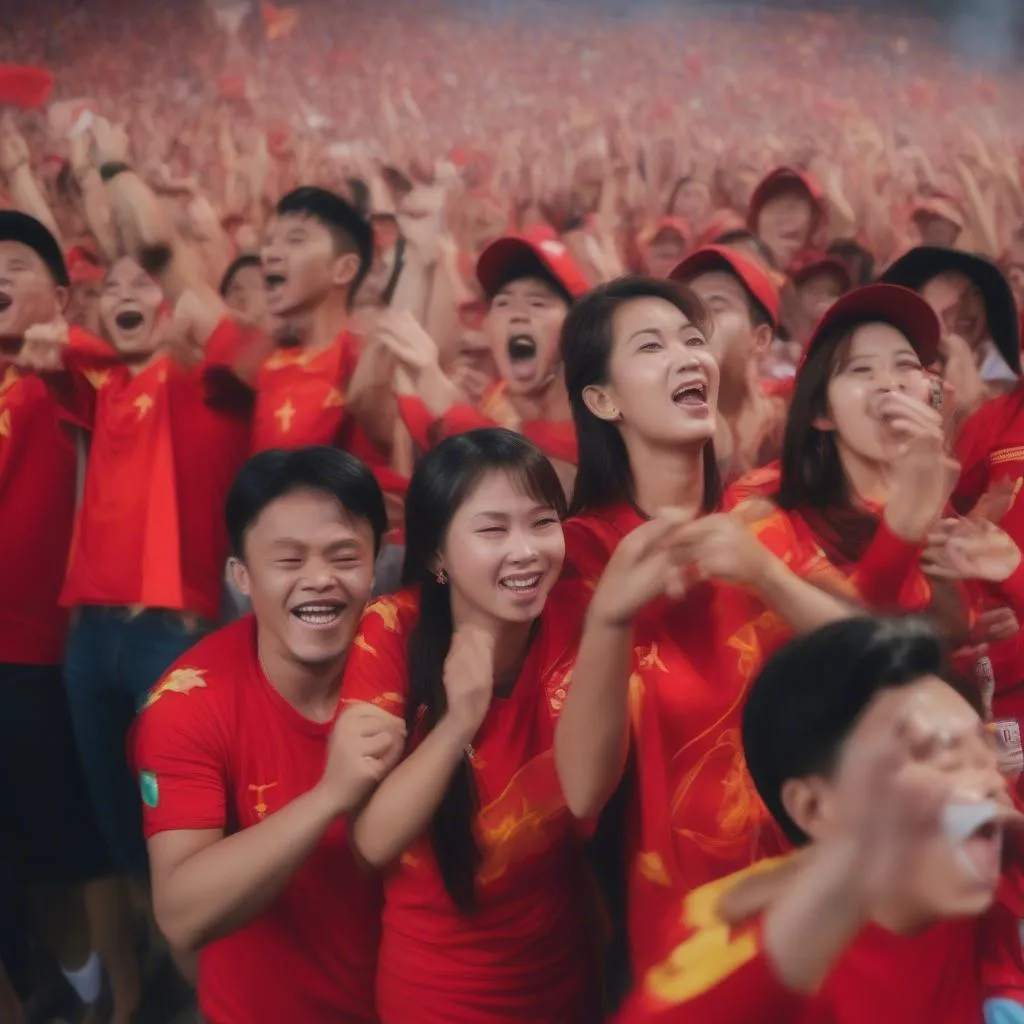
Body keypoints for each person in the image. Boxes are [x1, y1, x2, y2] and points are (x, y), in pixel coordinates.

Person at [555, 276, 852, 985]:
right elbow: (581, 792)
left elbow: (886, 666)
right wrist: (611, 618)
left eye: (694, 340)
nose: (689, 357)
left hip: (818, 916)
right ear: (602, 399)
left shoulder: (763, 531)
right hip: (679, 945)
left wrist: (770, 578)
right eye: (652, 347)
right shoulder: (579, 556)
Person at [613, 615, 1024, 1023]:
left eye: (983, 749)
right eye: (942, 753)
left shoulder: (968, 878)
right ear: (813, 807)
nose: (989, 782)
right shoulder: (739, 938)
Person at [340, 428, 600, 1024]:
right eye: (492, 530)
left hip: (565, 973)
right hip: (441, 989)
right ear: (435, 556)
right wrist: (460, 722)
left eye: (542, 522)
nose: (527, 551)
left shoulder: (583, 618)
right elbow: (372, 843)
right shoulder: (392, 629)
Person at [133, 446, 398, 1024]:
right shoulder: (186, 704)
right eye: (289, 560)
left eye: (344, 555)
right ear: (242, 577)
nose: (319, 579)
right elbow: (180, 913)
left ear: (378, 561)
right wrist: (330, 794)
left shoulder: (415, 659)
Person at [15, 253, 252, 884]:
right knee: (120, 834)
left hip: (172, 641)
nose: (125, 293)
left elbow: (218, 326)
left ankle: (203, 971)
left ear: (174, 304)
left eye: (143, 284)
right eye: (112, 286)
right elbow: (65, 355)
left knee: (192, 840)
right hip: (90, 641)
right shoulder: (103, 390)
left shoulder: (209, 385)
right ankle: (157, 966)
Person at [381, 227, 589, 481]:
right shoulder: (489, 398)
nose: (518, 313)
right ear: (487, 326)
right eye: (502, 303)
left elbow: (527, 487)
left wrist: (442, 396)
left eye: (538, 303)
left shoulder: (599, 420)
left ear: (577, 326)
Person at [668, 245, 785, 482]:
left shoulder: (794, 423)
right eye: (686, 311)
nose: (695, 322)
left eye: (715, 307)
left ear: (760, 338)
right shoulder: (658, 427)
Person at [881, 247, 1021, 407]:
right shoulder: (893, 374)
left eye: (976, 292)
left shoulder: (1008, 394)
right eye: (951, 282)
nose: (964, 301)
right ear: (918, 294)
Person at [747, 167, 825, 272]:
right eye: (774, 207)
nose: (785, 219)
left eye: (794, 207)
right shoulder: (733, 272)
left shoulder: (825, 276)